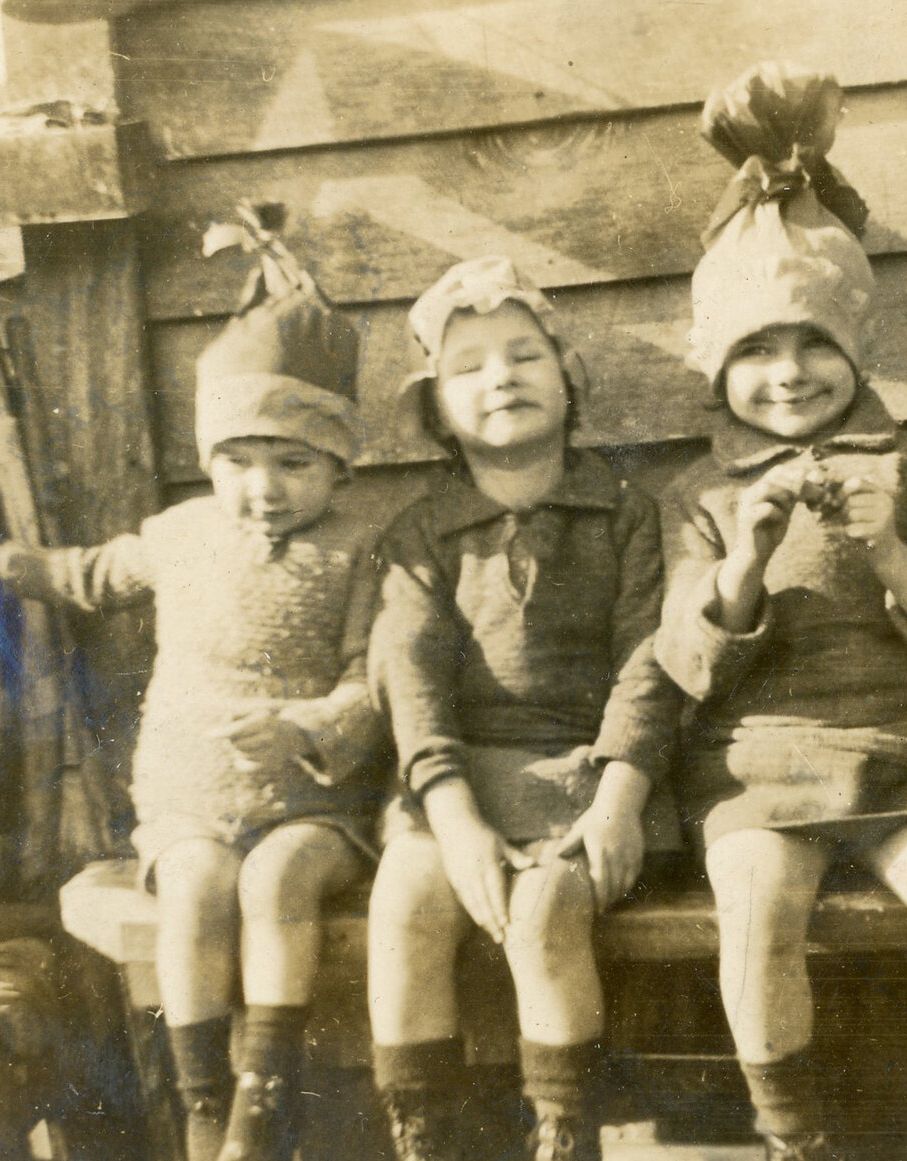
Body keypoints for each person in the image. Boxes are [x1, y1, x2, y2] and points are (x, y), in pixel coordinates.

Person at [0, 216, 382, 1161]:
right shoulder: (178, 535)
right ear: (209, 462)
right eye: (239, 462)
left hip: (310, 798)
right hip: (189, 797)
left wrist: (303, 726)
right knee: (202, 883)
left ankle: (265, 1096)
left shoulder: (358, 550)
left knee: (279, 876)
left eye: (294, 463)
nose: (264, 489)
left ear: (340, 463)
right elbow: (85, 573)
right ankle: (203, 1098)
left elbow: (367, 677)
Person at [655, 63, 907, 1161]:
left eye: (814, 342)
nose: (787, 373)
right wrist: (748, 560)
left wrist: (890, 552)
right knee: (755, 910)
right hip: (759, 767)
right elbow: (683, 658)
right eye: (755, 351)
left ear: (856, 353)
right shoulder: (700, 497)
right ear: (717, 369)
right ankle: (793, 1140)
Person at [363, 256, 679, 1161]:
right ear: (436, 409)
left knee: (542, 915)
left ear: (569, 380)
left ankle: (562, 1132)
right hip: (462, 779)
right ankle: (424, 1135)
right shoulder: (420, 535)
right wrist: (454, 822)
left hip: (596, 776)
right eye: (468, 367)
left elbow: (648, 660)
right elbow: (413, 683)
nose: (500, 376)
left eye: (524, 355)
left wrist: (619, 798)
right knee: (407, 900)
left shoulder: (626, 512)